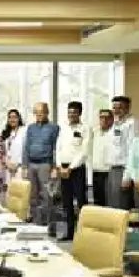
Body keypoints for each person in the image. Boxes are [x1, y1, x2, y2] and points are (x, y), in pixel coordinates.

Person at [56, 101, 92, 241]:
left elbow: (84, 152)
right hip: (63, 168)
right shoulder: (63, 128)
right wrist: (59, 166)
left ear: (80, 113)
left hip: (76, 169)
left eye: (74, 112)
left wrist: (70, 168)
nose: (71, 115)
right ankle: (69, 232)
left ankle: (83, 234)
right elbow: (58, 148)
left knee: (81, 201)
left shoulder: (85, 129)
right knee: (67, 202)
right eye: (69, 112)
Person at [22, 102, 59, 226]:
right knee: (32, 196)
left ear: (47, 113)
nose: (38, 115)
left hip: (45, 164)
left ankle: (47, 224)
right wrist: (24, 166)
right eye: (36, 113)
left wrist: (55, 167)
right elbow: (26, 147)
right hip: (31, 164)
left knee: (46, 195)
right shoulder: (31, 128)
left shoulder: (54, 128)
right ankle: (36, 222)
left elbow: (56, 148)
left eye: (41, 112)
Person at [107, 95, 139, 209]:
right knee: (112, 204)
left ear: (127, 108)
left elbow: (133, 150)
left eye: (120, 107)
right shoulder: (114, 124)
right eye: (114, 107)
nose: (116, 110)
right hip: (112, 169)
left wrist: (127, 176)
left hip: (123, 169)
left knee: (121, 205)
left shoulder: (132, 123)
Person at [91, 109, 114, 207]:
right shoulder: (94, 132)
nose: (104, 120)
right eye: (101, 117)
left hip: (110, 171)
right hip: (96, 170)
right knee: (98, 199)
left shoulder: (115, 133)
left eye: (107, 118)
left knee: (110, 199)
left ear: (112, 119)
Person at [1, 109, 27, 184]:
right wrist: (7, 163)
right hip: (8, 168)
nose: (12, 119)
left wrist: (18, 164)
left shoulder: (24, 131)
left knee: (19, 189)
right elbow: (4, 151)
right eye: (10, 117)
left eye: (15, 117)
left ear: (19, 118)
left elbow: (26, 149)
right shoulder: (6, 133)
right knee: (9, 190)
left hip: (20, 167)